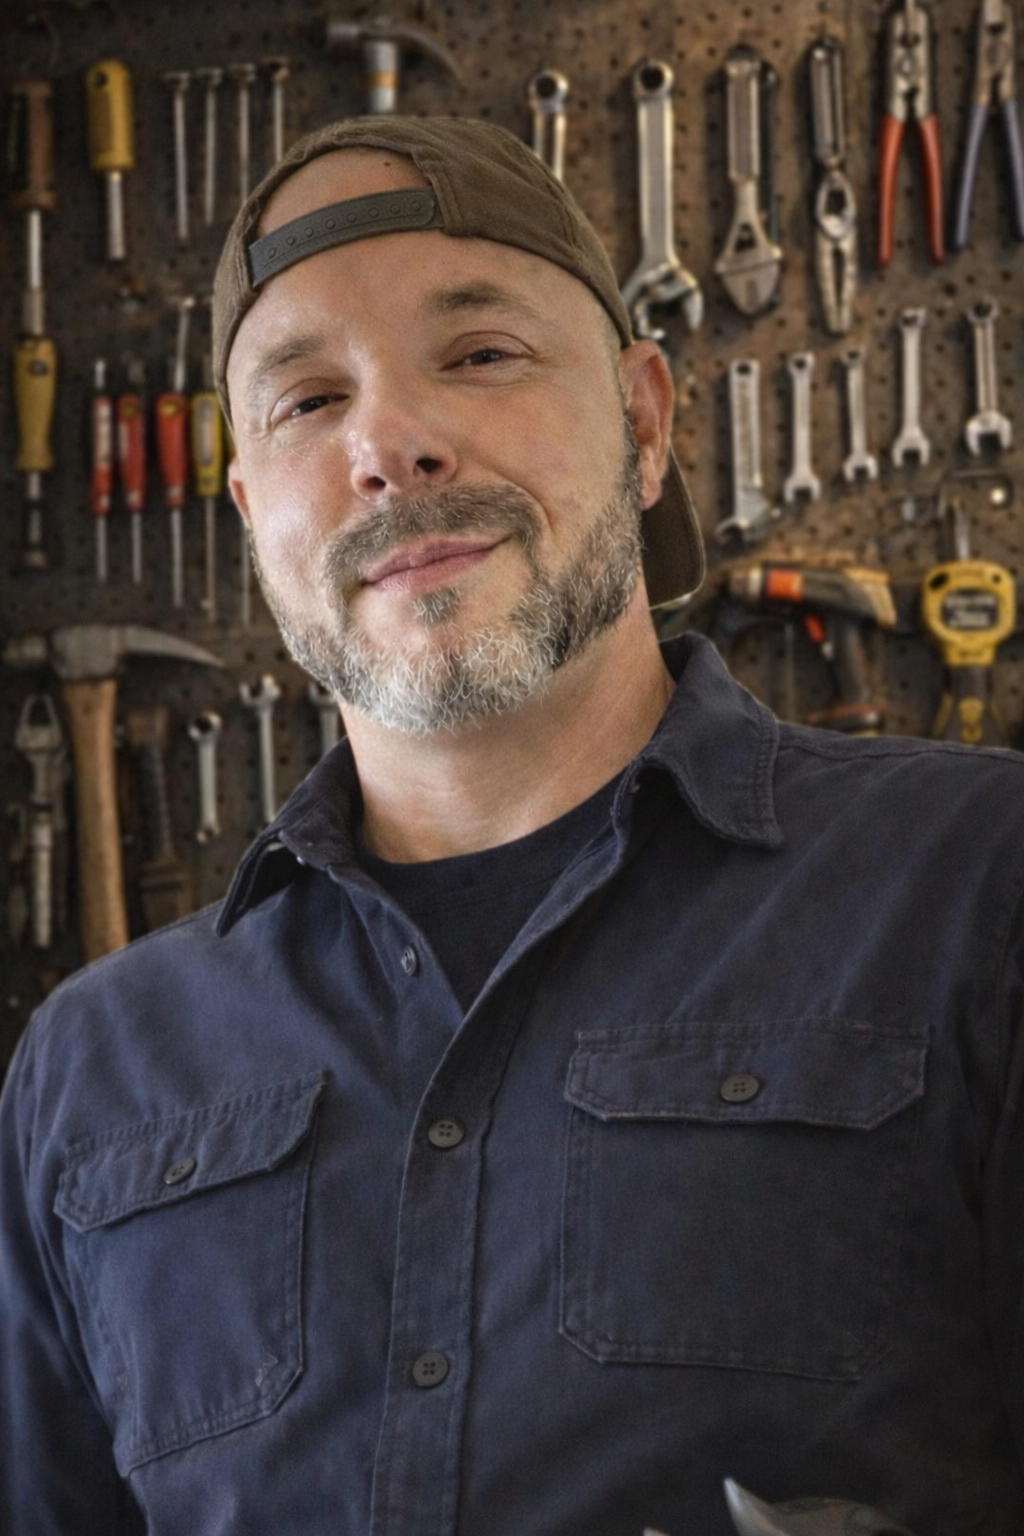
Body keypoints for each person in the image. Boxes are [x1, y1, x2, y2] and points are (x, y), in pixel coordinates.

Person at [1, 115, 1024, 1536]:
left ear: (646, 421)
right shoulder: (90, 1070)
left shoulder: (980, 885)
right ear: (248, 512)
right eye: (303, 400)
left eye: (478, 355)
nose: (389, 445)